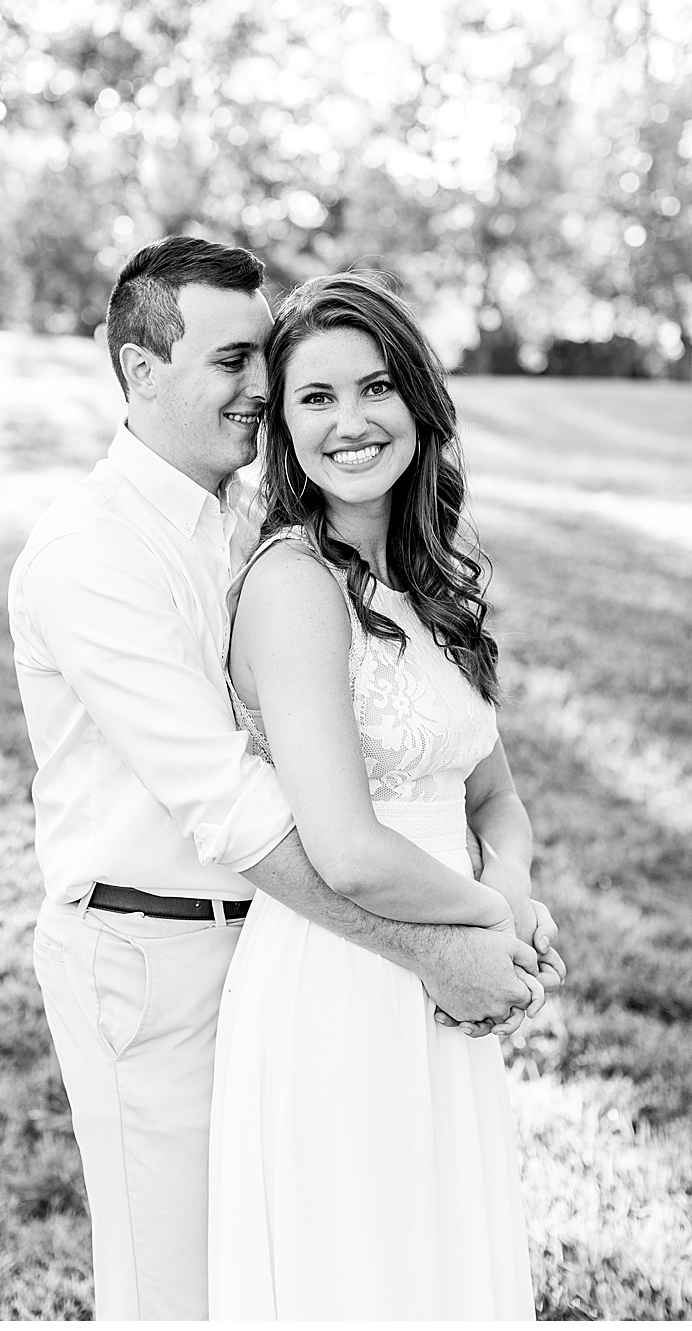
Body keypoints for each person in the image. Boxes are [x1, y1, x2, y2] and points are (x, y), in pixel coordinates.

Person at [7, 235, 561, 1319]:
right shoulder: (92, 555)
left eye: (267, 359)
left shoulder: (246, 523)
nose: (262, 390)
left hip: (286, 937)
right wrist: (459, 938)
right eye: (234, 362)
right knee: (179, 1295)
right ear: (140, 371)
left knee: (336, 1265)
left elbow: (478, 779)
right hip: (155, 950)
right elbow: (240, 809)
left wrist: (480, 917)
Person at [209, 271, 551, 1318]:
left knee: (440, 1263)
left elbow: (492, 794)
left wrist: (520, 893)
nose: (349, 422)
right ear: (285, 427)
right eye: (314, 398)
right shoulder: (292, 585)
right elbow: (348, 846)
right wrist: (491, 924)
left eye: (374, 388)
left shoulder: (429, 581)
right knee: (361, 1270)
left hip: (443, 962)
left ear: (418, 403)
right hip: (343, 976)